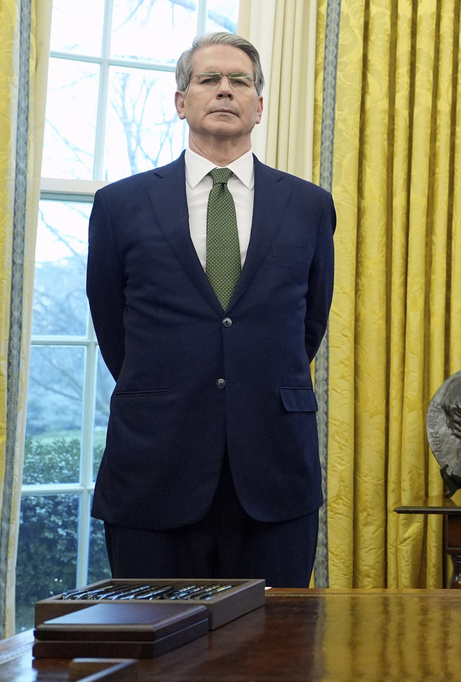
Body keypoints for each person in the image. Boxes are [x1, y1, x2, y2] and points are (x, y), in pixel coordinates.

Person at [86, 32, 336, 587]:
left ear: (259, 106)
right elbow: (112, 326)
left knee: (275, 657)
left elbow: (308, 323)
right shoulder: (120, 206)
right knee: (156, 658)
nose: (225, 90)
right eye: (208, 79)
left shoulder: (309, 207)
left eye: (240, 81)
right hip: (155, 470)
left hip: (274, 475)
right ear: (181, 101)